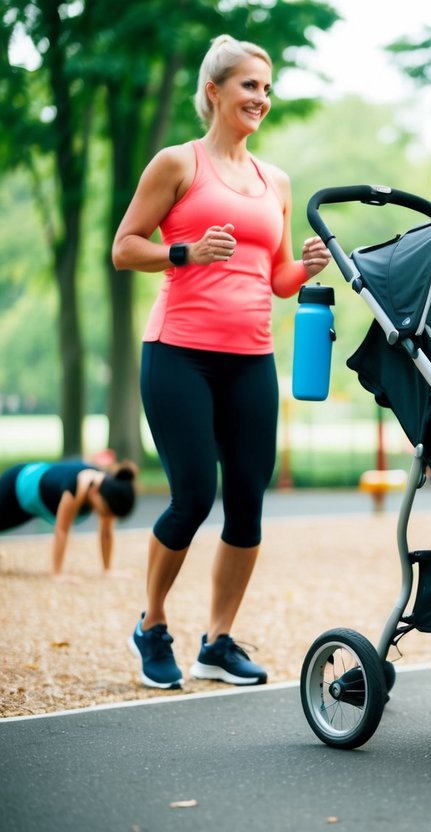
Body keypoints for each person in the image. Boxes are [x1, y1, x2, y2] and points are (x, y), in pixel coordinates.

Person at [111, 35, 331, 690]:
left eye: (266, 87)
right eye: (248, 86)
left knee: (245, 502)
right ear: (214, 92)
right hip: (178, 352)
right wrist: (183, 254)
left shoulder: (276, 182)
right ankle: (151, 626)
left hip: (250, 359)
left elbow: (275, 276)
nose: (261, 98)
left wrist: (306, 266)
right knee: (192, 497)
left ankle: (219, 640)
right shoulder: (177, 165)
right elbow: (125, 248)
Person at [0, 458, 137, 580]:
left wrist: (108, 570)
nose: (108, 517)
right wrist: (57, 573)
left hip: (32, 502)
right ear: (95, 492)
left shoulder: (106, 488)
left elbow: (106, 533)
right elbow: (61, 530)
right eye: (107, 512)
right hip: (17, 485)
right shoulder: (76, 486)